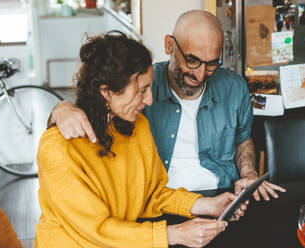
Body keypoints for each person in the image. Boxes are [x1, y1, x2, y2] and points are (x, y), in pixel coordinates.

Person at [36, 31, 247, 248]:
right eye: (141, 90)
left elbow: (153, 194)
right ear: (107, 92)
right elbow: (95, 230)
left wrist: (206, 205)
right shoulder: (59, 148)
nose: (149, 100)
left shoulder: (136, 127)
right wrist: (173, 234)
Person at [48, 10, 285, 200]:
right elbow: (97, 107)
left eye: (212, 63)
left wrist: (248, 173)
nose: (201, 75)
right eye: (192, 60)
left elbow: (243, 138)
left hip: (220, 196)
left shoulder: (234, 87)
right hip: (157, 200)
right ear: (169, 45)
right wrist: (60, 109)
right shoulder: (142, 85)